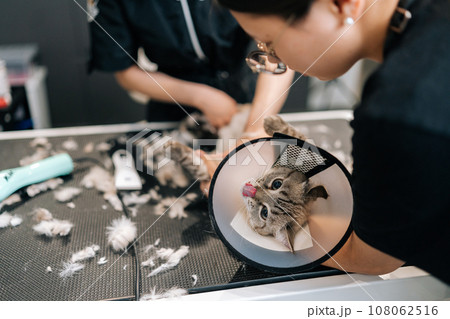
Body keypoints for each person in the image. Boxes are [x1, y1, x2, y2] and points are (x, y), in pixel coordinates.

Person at [209, 0, 450, 284]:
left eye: (271, 43)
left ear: (342, 4)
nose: (273, 62)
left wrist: (226, 199)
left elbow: (372, 258)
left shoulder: (397, 110)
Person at [88, 0, 294, 133]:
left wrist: (255, 129)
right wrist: (201, 97)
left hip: (246, 100)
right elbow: (125, 72)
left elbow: (279, 49)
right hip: (172, 108)